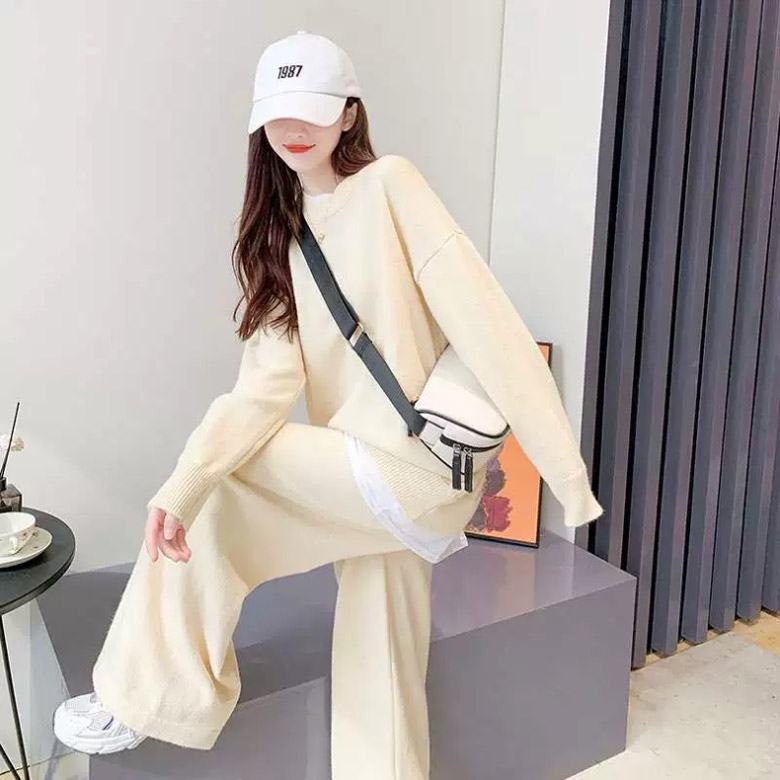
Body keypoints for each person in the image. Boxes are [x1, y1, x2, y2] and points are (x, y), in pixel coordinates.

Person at [52, 30, 603, 779]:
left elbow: (486, 318)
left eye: (312, 109)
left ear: (349, 114)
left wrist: (567, 476)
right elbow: (262, 391)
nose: (294, 129)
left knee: (219, 484)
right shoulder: (283, 241)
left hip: (417, 468)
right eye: (278, 113)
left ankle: (142, 695)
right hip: (366, 483)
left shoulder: (391, 186)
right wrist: (183, 484)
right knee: (382, 648)